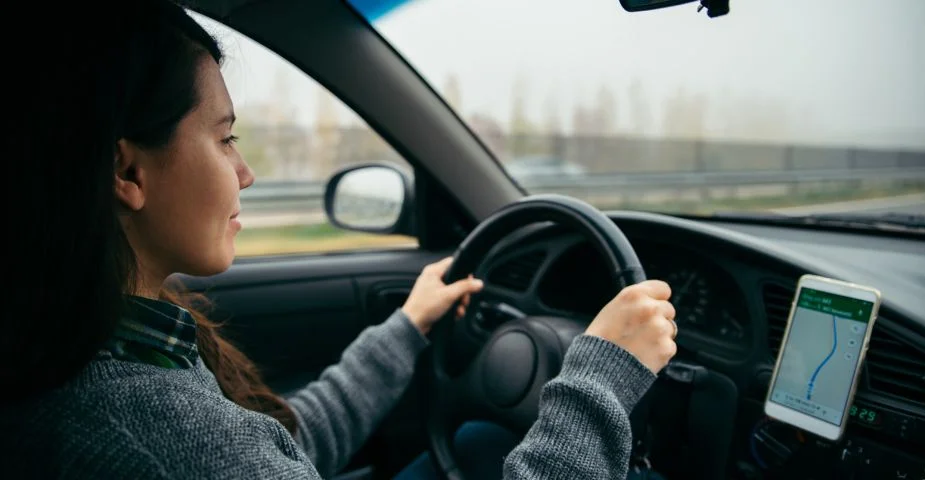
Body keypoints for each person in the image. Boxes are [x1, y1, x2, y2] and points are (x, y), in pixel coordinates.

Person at [1, 1, 677, 478]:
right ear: (128, 170)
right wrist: (599, 380)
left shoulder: (98, 354)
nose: (247, 172)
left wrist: (408, 325)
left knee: (473, 443)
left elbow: (288, 448)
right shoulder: (155, 431)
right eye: (225, 137)